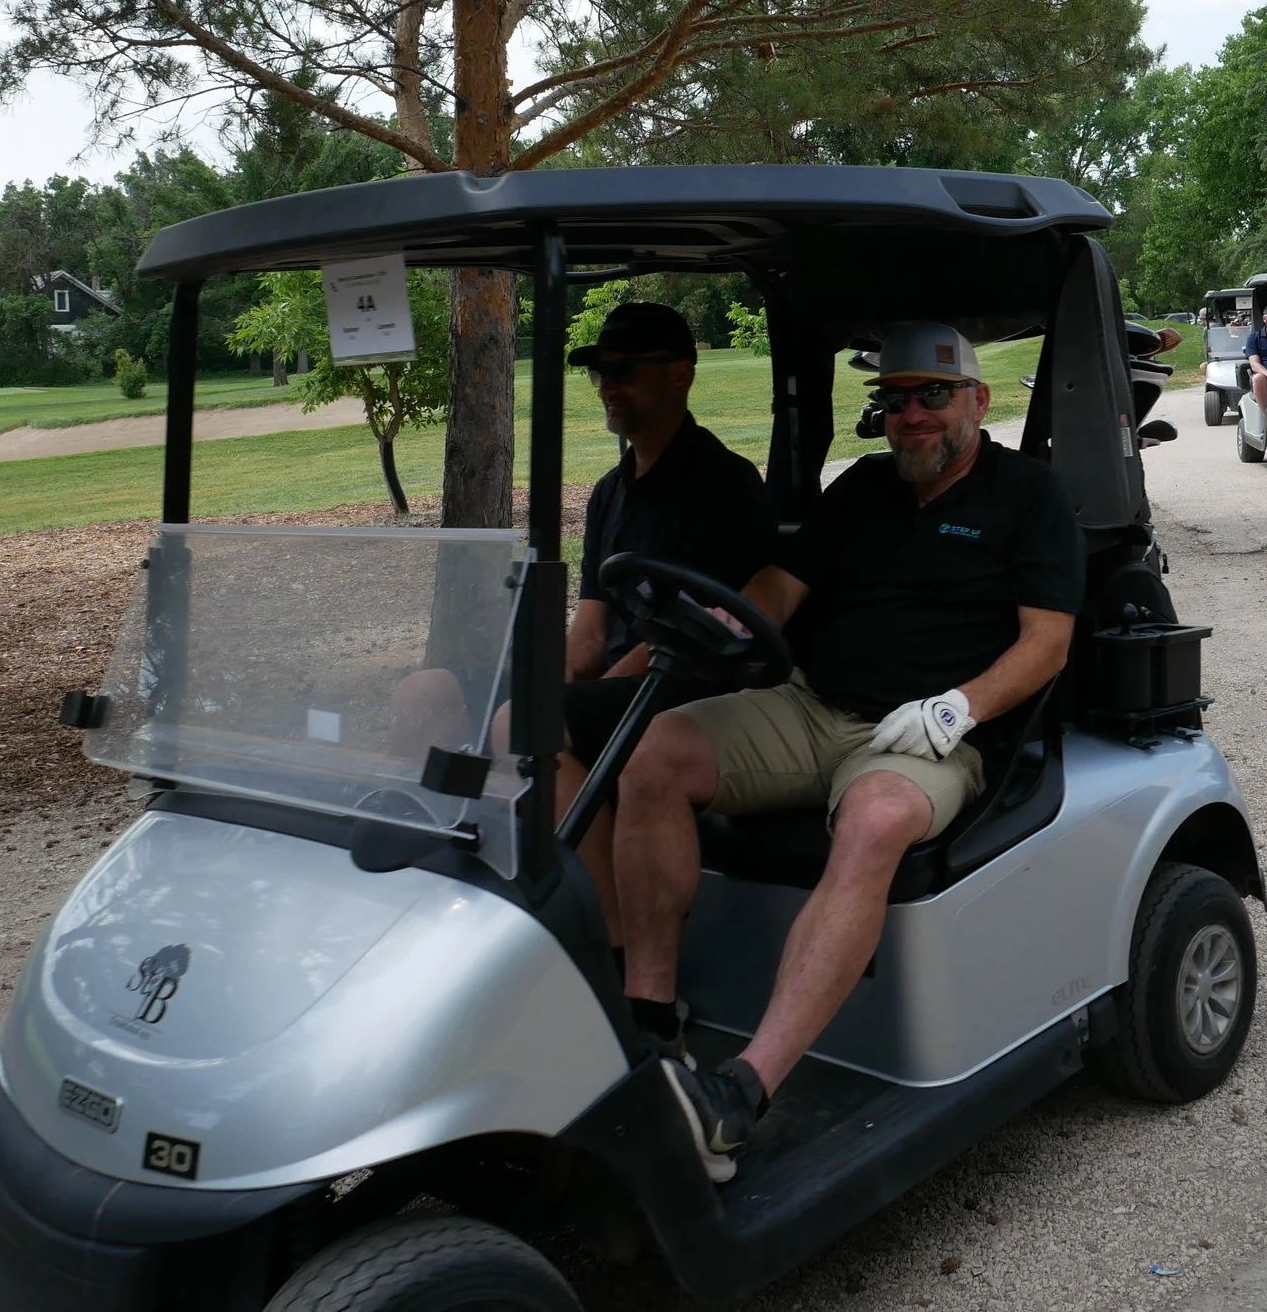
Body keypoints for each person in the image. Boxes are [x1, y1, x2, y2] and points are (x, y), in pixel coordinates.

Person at [613, 323, 1081, 1182]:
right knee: (654, 753)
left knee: (871, 819)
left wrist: (957, 708)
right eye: (896, 401)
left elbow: (1047, 642)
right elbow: (783, 584)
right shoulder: (863, 488)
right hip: (814, 705)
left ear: (977, 399)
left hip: (932, 735)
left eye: (933, 396)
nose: (913, 417)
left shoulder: (1029, 495)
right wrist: (725, 619)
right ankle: (651, 1026)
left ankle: (740, 1097)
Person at [392, 300, 773, 946]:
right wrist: (539, 680)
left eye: (623, 369)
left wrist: (546, 703)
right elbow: (590, 631)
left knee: (525, 722)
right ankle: (441, 878)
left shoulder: (723, 484)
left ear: (680, 373)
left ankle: (606, 941)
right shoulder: (610, 491)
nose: (607, 385)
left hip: (688, 683)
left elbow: (678, 640)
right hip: (623, 677)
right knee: (426, 692)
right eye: (598, 371)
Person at [1241, 305, 1267, 413]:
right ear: (1264, 319)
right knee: (1258, 378)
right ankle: (1266, 415)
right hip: (1266, 375)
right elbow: (1254, 364)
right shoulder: (1254, 338)